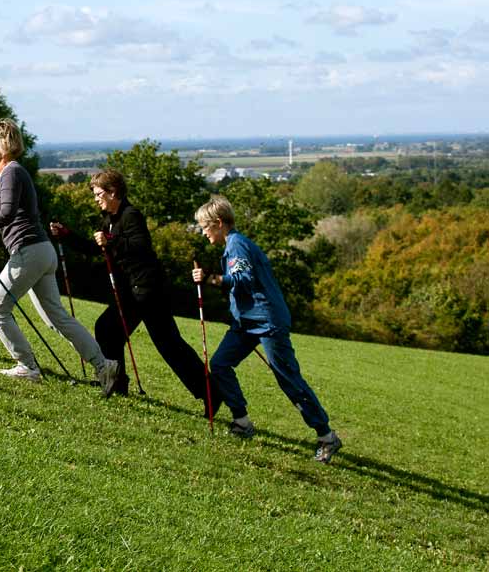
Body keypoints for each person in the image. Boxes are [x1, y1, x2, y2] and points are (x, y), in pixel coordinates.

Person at [0, 118, 118, 394]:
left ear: (3, 145)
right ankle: (103, 366)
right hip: (41, 251)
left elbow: (5, 216)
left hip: (28, 252)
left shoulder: (11, 173)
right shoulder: (11, 173)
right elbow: (7, 216)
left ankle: (27, 366)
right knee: (57, 318)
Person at [192, 195, 342, 463]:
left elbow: (244, 279)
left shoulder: (237, 244)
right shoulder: (232, 245)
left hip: (267, 321)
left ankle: (327, 436)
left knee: (288, 379)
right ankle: (242, 421)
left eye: (205, 227)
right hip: (245, 323)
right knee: (221, 363)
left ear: (218, 223)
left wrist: (212, 278)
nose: (203, 233)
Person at [51, 169, 209, 410]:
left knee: (169, 346)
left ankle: (211, 394)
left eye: (98, 194)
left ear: (113, 192)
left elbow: (141, 246)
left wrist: (111, 241)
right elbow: (97, 248)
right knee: (108, 329)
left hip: (148, 290)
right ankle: (117, 381)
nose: (96, 199)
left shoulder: (130, 215)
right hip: (132, 291)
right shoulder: (109, 219)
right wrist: (67, 236)